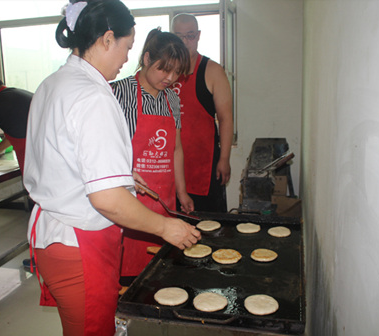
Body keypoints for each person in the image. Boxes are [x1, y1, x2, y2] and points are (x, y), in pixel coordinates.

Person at [23, 2, 200, 335]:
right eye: (127, 47)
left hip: (52, 238)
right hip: (80, 245)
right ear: (107, 39)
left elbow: (60, 156)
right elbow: (106, 199)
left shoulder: (54, 83)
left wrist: (121, 173)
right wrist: (165, 227)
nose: (125, 59)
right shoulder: (94, 94)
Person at [111, 28, 193, 277]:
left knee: (159, 272)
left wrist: (182, 192)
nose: (170, 77)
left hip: (163, 200)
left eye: (177, 72)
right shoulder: (118, 93)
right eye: (164, 68)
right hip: (129, 201)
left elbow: (176, 149)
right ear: (146, 59)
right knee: (128, 275)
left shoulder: (173, 99)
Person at [171, 13, 234, 212]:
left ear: (198, 36)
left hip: (203, 165)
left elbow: (225, 119)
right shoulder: (164, 70)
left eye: (190, 36)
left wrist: (224, 158)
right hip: (169, 164)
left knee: (209, 228)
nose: (185, 42)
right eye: (179, 36)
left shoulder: (213, 71)